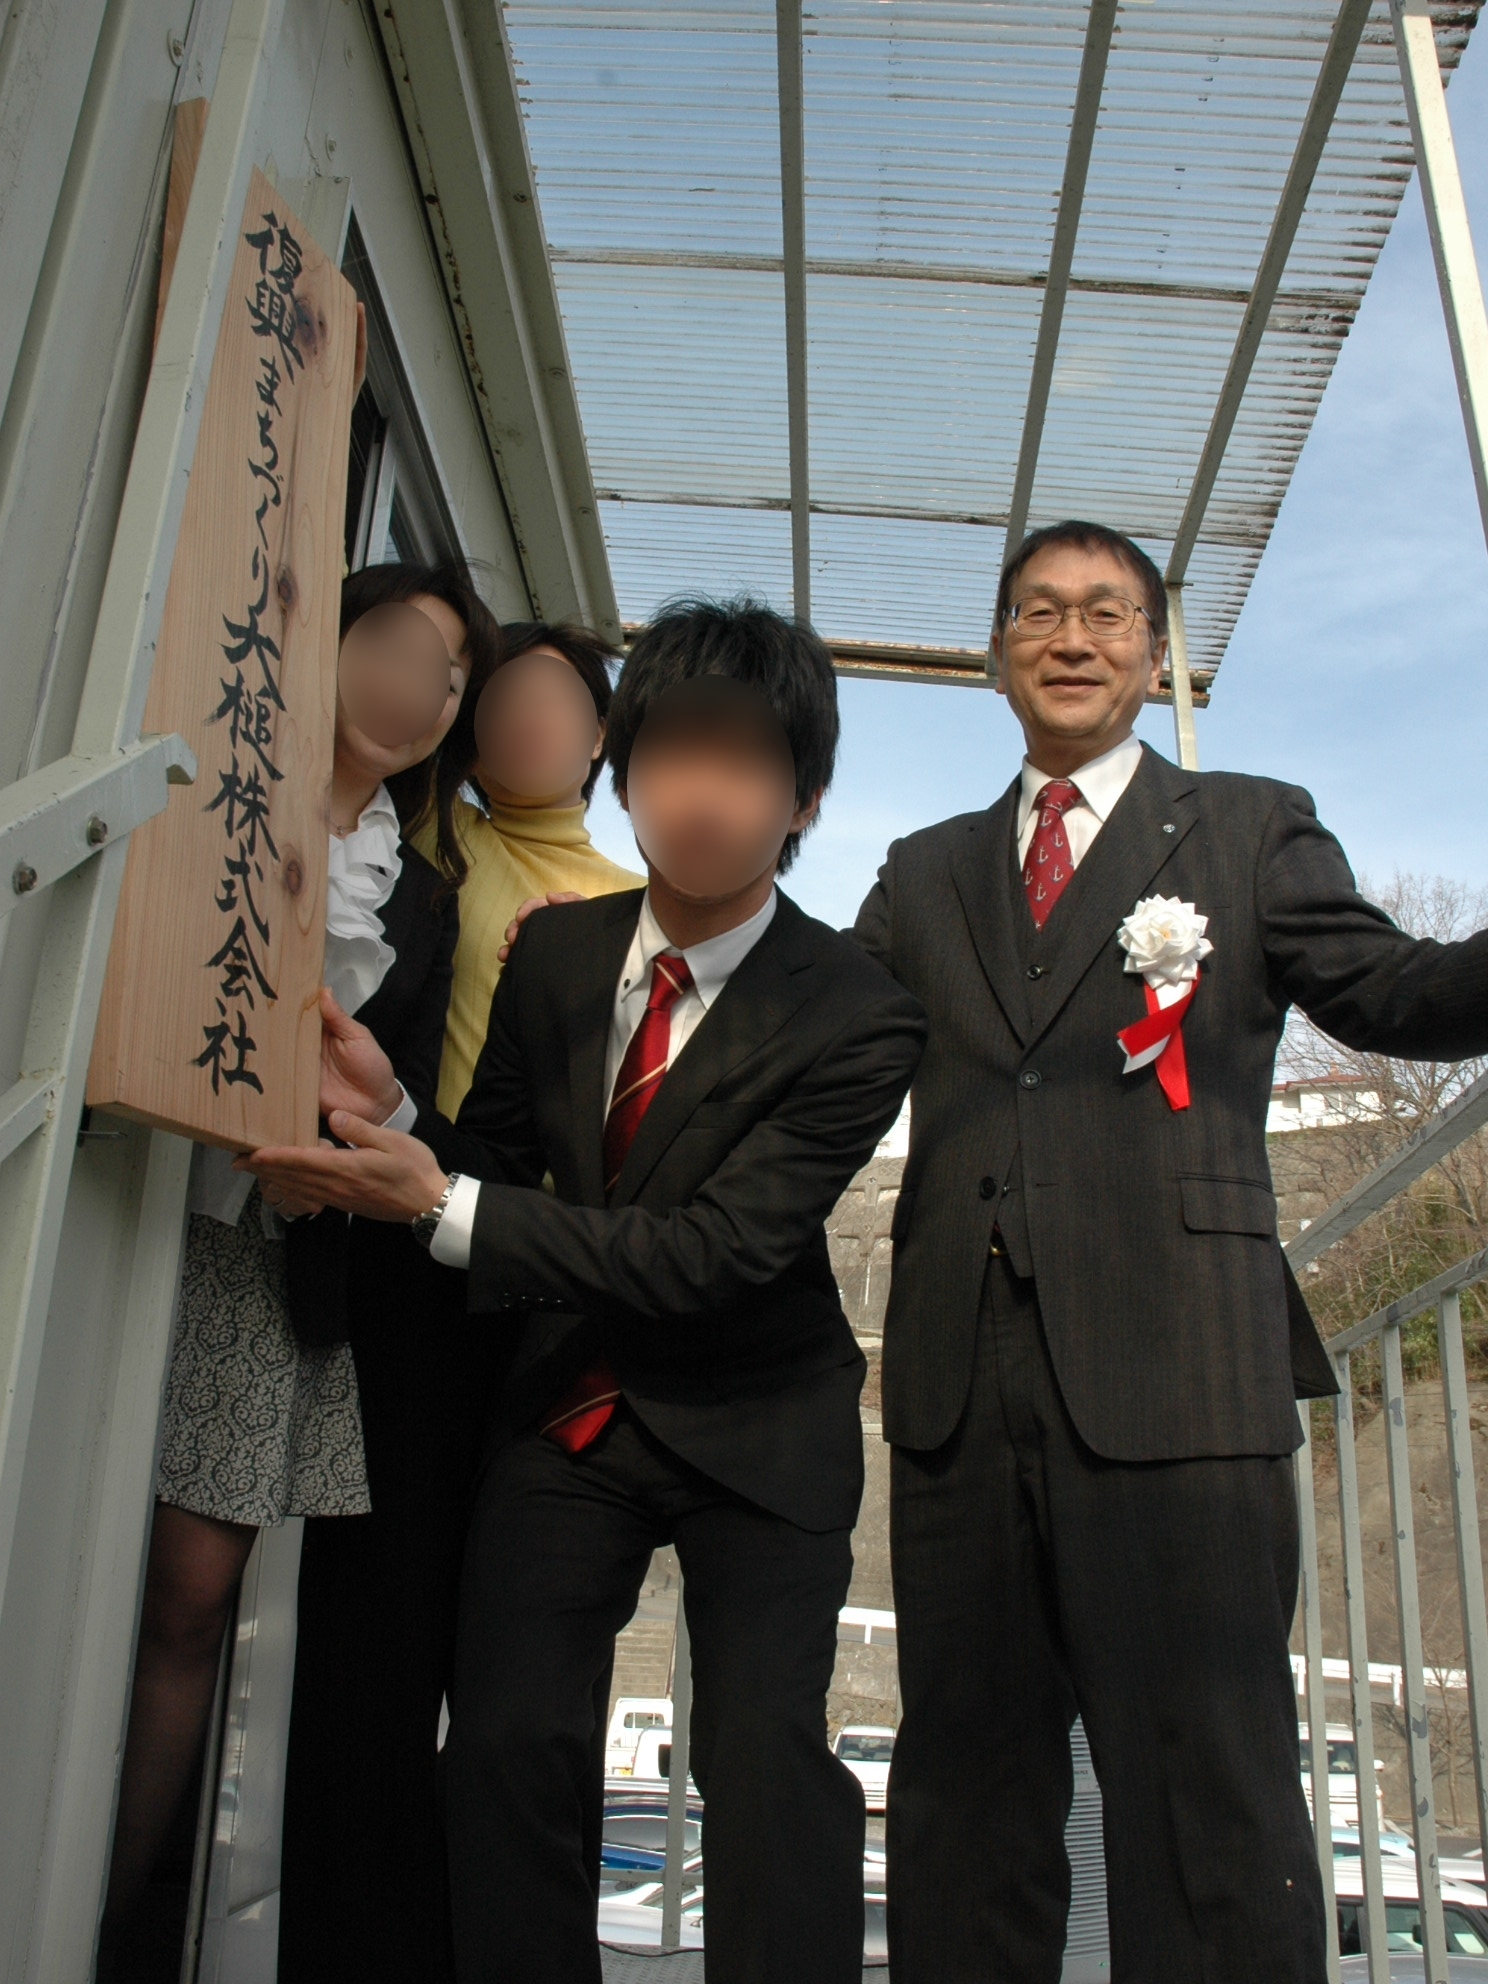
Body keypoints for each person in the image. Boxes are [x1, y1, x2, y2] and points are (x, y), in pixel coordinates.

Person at [242, 597, 928, 1984]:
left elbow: (715, 1253)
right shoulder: (556, 952)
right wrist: (404, 1118)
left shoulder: (859, 1007)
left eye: (746, 762)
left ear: (803, 798)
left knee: (760, 1761)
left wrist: (437, 1201)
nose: (703, 793)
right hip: (572, 1403)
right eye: (673, 753)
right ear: (625, 772)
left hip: (756, 1415)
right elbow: (501, 1159)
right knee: (504, 1743)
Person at [852, 518, 1488, 1984]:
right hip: (958, 1382)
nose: (1072, 637)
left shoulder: (1251, 826)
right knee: (965, 1793)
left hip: (1185, 1369)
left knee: (1209, 1783)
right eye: (1039, 612)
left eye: (1107, 613)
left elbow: (1393, 992)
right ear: (995, 654)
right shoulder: (922, 870)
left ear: (1154, 658)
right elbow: (819, 1057)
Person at [99, 559, 492, 1966]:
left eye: (446, 677)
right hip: (117, 1200)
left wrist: (366, 1127)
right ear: (322, 635)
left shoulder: (427, 899)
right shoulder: (203, 782)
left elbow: (401, 1115)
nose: (412, 687)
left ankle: (109, 1921)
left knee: (192, 1601)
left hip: (269, 1257)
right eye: (391, 644)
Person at [277, 616, 641, 1982]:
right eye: (496, 698)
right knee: (376, 1640)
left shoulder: (640, 899)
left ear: (601, 737)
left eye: (557, 701)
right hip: (410, 1263)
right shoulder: (420, 855)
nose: (523, 721)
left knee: (530, 1679)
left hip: (558, 1290)